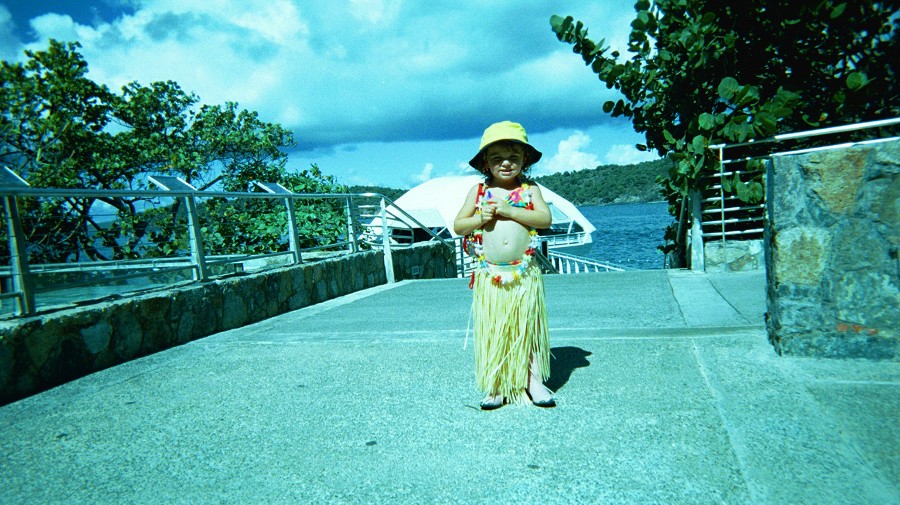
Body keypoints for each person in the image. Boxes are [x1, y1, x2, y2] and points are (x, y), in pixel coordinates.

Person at [453, 121, 555, 410]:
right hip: (491, 274)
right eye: (497, 158)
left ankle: (533, 381)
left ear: (525, 159)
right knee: (496, 331)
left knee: (528, 327)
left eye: (513, 157)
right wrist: (480, 219)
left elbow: (545, 220)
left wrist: (510, 210)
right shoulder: (478, 191)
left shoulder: (529, 189)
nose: (506, 163)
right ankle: (496, 383)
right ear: (485, 163)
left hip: (524, 274)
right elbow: (459, 225)